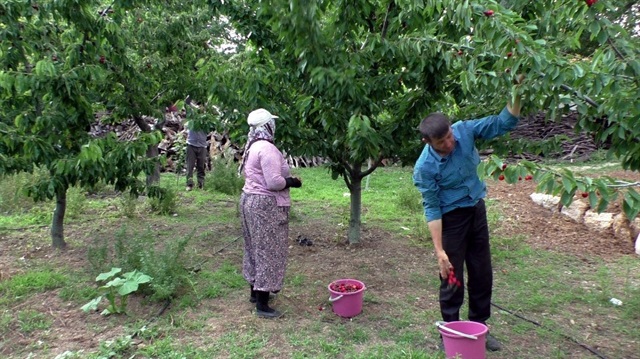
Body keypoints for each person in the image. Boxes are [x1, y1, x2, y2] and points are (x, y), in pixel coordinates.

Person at [413, 95, 522, 352]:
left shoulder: (465, 130)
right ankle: (449, 331)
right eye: (442, 142)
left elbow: (502, 122)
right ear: (427, 142)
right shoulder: (424, 168)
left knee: (482, 271)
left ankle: (479, 326)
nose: (450, 143)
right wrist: (439, 251)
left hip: (476, 210)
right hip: (451, 219)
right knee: (452, 276)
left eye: (450, 136)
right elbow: (432, 207)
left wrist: (517, 90)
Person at [238, 108, 302, 319]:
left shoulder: (252, 146)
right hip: (266, 205)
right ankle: (263, 305)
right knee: (268, 249)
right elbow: (274, 182)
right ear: (268, 126)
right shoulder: (268, 149)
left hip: (249, 200)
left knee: (254, 246)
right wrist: (293, 182)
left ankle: (256, 294)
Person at [184, 121, 208, 191]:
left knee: (201, 166)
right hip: (191, 145)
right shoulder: (192, 121)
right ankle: (189, 184)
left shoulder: (207, 122)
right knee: (190, 165)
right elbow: (185, 126)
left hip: (202, 145)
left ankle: (201, 184)